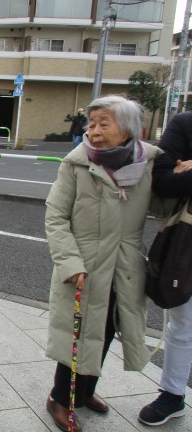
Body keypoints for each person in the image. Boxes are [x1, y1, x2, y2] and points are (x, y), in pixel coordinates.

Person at [45, 95, 161, 432]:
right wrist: (71, 263)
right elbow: (56, 216)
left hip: (124, 266)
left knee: (107, 330)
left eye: (103, 124)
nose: (93, 131)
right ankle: (60, 399)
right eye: (91, 124)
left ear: (127, 130)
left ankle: (86, 392)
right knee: (77, 334)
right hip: (84, 265)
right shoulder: (76, 163)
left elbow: (166, 205)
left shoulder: (149, 163)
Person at [138, 111, 192, 427]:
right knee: (183, 322)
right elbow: (164, 181)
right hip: (187, 241)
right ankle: (173, 394)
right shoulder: (185, 123)